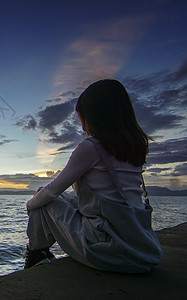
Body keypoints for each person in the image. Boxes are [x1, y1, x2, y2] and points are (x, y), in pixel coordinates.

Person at [24, 79, 163, 273]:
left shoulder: (91, 147)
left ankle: (35, 253)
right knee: (60, 198)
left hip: (108, 248)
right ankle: (38, 253)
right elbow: (102, 194)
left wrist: (30, 205)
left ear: (94, 115)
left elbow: (53, 190)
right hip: (139, 246)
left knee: (41, 197)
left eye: (81, 116)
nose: (81, 125)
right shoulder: (134, 147)